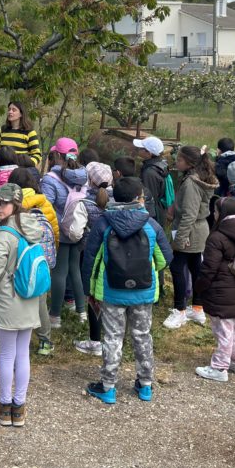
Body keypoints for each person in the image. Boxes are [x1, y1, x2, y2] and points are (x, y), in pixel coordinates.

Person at [81, 176, 172, 404]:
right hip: (143, 291)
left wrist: (89, 289)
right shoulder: (151, 224)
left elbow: (90, 260)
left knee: (112, 337)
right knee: (142, 336)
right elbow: (164, 258)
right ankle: (145, 385)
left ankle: (108, 387)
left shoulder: (103, 223)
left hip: (112, 291)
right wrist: (146, 269)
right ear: (138, 198)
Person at [0, 183, 43, 427]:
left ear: (15, 204)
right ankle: (20, 408)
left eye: (3, 203)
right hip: (28, 297)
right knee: (23, 352)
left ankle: (5, 406)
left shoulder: (4, 234)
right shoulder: (32, 228)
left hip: (7, 299)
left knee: (7, 354)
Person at [193, 196, 235, 382]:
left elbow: (209, 269)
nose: (213, 214)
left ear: (223, 214)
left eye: (215, 211)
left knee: (223, 330)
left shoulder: (217, 237)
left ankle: (219, 367)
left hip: (220, 290)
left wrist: (199, 288)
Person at [6, 166, 60, 355]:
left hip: (18, 260)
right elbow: (54, 230)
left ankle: (14, 339)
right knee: (40, 302)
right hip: (40, 260)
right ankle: (45, 341)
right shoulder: (44, 202)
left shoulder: (11, 204)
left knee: (15, 298)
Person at [162, 145, 216, 330]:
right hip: (199, 230)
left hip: (190, 231)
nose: (176, 163)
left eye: (179, 160)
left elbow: (189, 214)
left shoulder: (191, 183)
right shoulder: (198, 178)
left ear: (190, 163)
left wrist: (180, 239)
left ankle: (180, 310)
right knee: (195, 266)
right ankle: (198, 308)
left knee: (177, 267)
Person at [41, 138, 88, 328]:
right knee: (75, 269)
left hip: (61, 230)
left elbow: (47, 206)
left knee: (59, 272)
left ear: (57, 155)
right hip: (79, 228)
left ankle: (55, 316)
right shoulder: (83, 175)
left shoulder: (50, 179)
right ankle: (82, 311)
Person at [75, 161, 112, 356]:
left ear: (88, 179)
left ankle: (95, 341)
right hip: (115, 254)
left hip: (90, 252)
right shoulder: (118, 199)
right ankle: (113, 338)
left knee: (93, 296)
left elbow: (75, 231)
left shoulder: (85, 202)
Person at [0, 101, 42, 166]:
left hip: (20, 172)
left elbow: (37, 155)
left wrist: (26, 165)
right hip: (3, 171)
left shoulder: (29, 132)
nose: (10, 112)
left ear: (21, 114)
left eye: (14, 110)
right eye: (9, 109)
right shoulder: (3, 130)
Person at [135, 136, 170, 231]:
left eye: (142, 148)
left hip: (153, 215)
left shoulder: (149, 173)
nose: (139, 149)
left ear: (149, 153)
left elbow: (149, 197)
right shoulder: (161, 163)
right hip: (160, 210)